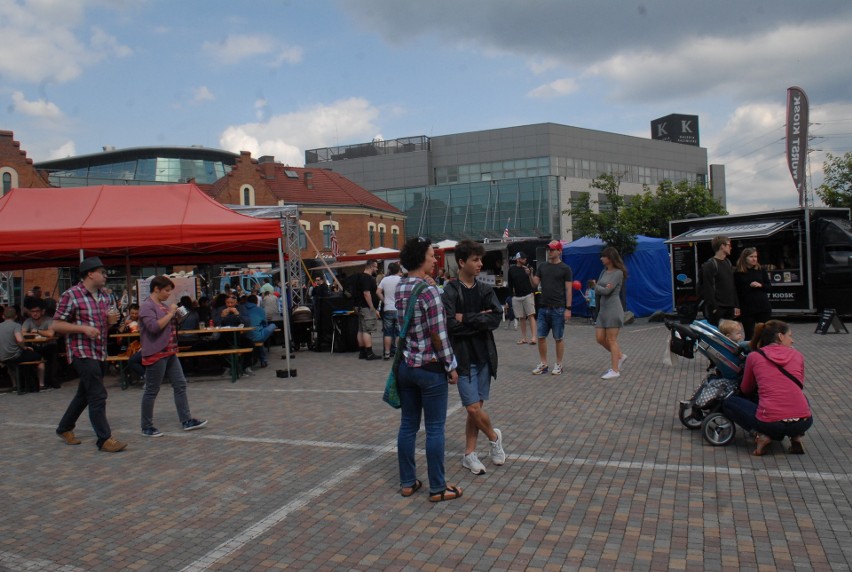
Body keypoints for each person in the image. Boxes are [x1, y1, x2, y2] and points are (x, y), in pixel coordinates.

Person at [395, 237, 462, 503]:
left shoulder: (400, 286)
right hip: (430, 368)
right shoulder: (429, 291)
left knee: (408, 425)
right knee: (435, 428)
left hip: (405, 366)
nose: (435, 261)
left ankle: (408, 482)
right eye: (433, 256)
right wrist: (451, 365)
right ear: (421, 258)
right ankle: (438, 487)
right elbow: (438, 334)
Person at [442, 240, 506, 476]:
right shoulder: (450, 290)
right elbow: (449, 326)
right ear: (461, 262)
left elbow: (495, 319)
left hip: (484, 356)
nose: (480, 264)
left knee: (476, 408)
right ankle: (493, 436)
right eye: (475, 259)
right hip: (462, 358)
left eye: (481, 259)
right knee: (471, 408)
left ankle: (470, 454)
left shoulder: (485, 290)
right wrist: (479, 319)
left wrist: (466, 318)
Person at [54, 257, 127, 452]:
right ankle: (104, 438)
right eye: (102, 273)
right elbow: (56, 324)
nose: (105, 276)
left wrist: (111, 322)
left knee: (84, 394)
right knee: (97, 394)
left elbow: (106, 324)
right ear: (90, 273)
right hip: (81, 351)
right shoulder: (71, 295)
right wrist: (83, 329)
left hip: (99, 351)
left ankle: (64, 427)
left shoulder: (105, 296)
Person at [721, 320, 812, 456]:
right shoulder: (798, 355)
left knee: (729, 403)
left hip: (771, 423)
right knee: (800, 397)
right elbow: (798, 384)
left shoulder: (754, 356)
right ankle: (796, 436)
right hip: (804, 421)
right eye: (790, 336)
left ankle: (762, 435)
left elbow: (746, 388)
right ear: (781, 337)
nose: (792, 341)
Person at [138, 276, 207, 437]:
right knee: (152, 390)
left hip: (170, 351)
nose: (169, 294)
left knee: (180, 384)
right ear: (156, 289)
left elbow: (166, 325)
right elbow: (153, 327)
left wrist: (175, 317)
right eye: (167, 290)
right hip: (156, 352)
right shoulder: (147, 306)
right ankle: (146, 426)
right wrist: (170, 314)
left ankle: (186, 419)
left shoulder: (162, 306)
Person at [530, 240, 573, 375]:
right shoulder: (542, 266)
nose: (550, 252)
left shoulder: (565, 268)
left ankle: (559, 364)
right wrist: (530, 274)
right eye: (549, 249)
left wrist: (568, 308)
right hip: (543, 307)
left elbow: (569, 290)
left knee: (558, 337)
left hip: (558, 308)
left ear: (559, 251)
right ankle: (543, 364)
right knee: (541, 336)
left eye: (553, 249)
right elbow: (534, 284)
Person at [594, 246, 628, 380]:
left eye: (603, 256)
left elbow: (606, 291)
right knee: (599, 338)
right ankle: (620, 355)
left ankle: (615, 370)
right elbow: (602, 288)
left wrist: (596, 286)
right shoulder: (603, 271)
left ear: (610, 258)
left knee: (612, 339)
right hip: (603, 310)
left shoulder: (618, 273)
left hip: (613, 309)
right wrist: (599, 288)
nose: (601, 259)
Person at [0, 306, 46, 389]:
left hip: (2, 356)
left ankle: (15, 385)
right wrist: (25, 347)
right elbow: (20, 339)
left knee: (10, 365)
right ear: (15, 316)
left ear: (3, 316)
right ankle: (41, 384)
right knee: (40, 359)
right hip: (15, 355)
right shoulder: (16, 325)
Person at [734, 247, 772, 340]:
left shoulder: (761, 270)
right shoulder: (738, 273)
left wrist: (760, 285)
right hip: (747, 308)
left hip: (762, 306)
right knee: (749, 335)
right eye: (751, 256)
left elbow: (769, 287)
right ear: (745, 258)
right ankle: (750, 353)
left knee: (764, 333)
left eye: (755, 256)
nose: (754, 259)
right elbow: (736, 291)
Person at [701, 235, 739, 327]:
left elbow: (732, 286)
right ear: (722, 246)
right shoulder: (710, 265)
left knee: (729, 335)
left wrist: (736, 305)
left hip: (729, 307)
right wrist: (713, 307)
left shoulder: (728, 262)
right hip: (718, 308)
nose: (731, 247)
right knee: (718, 335)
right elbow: (708, 287)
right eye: (729, 245)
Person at [21, 300, 60, 388]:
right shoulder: (28, 321)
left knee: (51, 354)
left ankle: (51, 381)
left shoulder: (49, 320)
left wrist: (38, 331)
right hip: (36, 346)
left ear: (42, 311)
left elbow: (51, 333)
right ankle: (34, 383)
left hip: (49, 345)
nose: (34, 314)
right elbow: (22, 333)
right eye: (32, 312)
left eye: (37, 311)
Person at [507, 252, 537, 345]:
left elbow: (534, 284)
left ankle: (533, 337)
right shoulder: (511, 270)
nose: (525, 260)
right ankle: (524, 338)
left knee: (531, 315)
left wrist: (529, 273)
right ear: (518, 259)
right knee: (521, 317)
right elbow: (510, 285)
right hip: (517, 297)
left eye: (525, 258)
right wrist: (510, 298)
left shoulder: (529, 268)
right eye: (523, 258)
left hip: (528, 295)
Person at [355, 259, 381, 360]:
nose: (377, 269)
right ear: (371, 267)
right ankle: (369, 353)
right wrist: (371, 306)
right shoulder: (367, 278)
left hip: (359, 306)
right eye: (375, 267)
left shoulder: (359, 277)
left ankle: (362, 352)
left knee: (360, 329)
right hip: (366, 307)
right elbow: (366, 293)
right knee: (367, 330)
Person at [377, 262, 403, 360]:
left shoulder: (385, 279)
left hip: (387, 308)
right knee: (398, 332)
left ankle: (387, 353)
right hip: (398, 309)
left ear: (389, 270)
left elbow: (378, 291)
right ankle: (397, 352)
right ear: (398, 270)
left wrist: (384, 300)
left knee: (387, 332)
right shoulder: (401, 280)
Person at [244, 294, 276, 367]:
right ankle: (263, 360)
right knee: (272, 325)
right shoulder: (260, 310)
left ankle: (263, 359)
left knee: (258, 336)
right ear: (256, 301)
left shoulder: (242, 309)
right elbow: (265, 323)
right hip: (257, 336)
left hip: (244, 336)